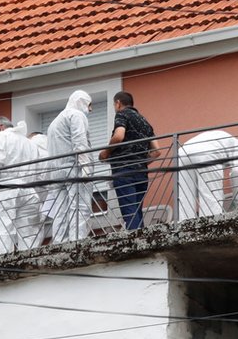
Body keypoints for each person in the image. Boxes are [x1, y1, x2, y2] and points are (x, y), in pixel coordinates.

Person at [98, 91, 159, 230]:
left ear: (118, 103)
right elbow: (156, 151)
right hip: (141, 173)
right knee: (136, 210)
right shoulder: (145, 122)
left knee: (129, 211)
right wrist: (141, 162)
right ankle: (141, 239)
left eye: (114, 104)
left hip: (124, 170)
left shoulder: (122, 114)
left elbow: (119, 136)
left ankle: (135, 242)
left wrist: (105, 153)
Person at [0, 117, 37, 256]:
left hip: (7, 188)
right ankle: (29, 257)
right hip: (28, 189)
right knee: (27, 229)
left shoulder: (0, 138)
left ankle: (0, 259)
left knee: (3, 225)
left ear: (0, 127)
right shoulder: (29, 143)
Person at [46, 90, 94, 244]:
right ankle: (77, 242)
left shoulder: (54, 122)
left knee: (60, 209)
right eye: (89, 104)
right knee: (80, 207)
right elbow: (79, 142)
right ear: (81, 101)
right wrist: (86, 167)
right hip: (74, 169)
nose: (90, 109)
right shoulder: (76, 115)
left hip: (57, 173)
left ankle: (59, 242)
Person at [177, 130, 238, 219]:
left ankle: (184, 227)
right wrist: (236, 202)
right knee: (212, 197)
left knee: (185, 195)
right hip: (207, 152)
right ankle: (211, 226)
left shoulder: (223, 138)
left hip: (182, 152)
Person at [17, 130, 50, 248]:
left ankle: (27, 253)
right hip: (46, 192)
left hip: (29, 189)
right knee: (37, 226)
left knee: (27, 228)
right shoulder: (50, 146)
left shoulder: (29, 145)